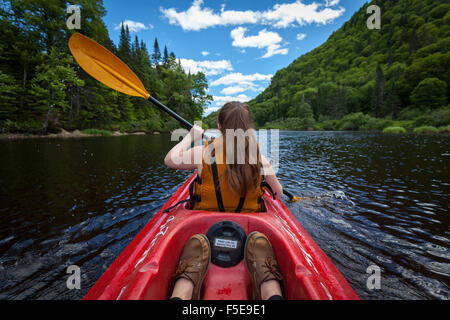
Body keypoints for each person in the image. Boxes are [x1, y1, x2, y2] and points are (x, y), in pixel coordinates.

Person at [165, 102, 284, 300]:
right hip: (249, 225)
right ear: (248, 128)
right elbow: (278, 194)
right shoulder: (261, 160)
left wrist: (190, 137)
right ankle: (269, 290)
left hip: (203, 222)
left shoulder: (202, 153)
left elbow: (169, 159)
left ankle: (184, 290)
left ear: (219, 126)